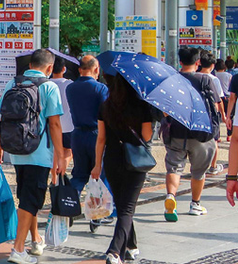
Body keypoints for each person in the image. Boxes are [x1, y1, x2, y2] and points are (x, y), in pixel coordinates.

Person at [0, 49, 63, 264]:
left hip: (16, 151)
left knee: (27, 198)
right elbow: (55, 124)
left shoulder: (12, 84)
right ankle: (18, 249)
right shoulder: (49, 87)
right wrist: (59, 156)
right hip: (39, 153)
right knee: (31, 200)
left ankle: (35, 240)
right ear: (50, 68)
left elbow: (3, 119)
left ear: (30, 64)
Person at [92, 73, 154, 264]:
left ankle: (131, 246)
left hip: (112, 159)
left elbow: (101, 138)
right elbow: (146, 138)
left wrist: (97, 164)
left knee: (124, 205)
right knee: (127, 209)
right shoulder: (142, 106)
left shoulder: (106, 106)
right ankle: (114, 251)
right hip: (134, 161)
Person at [163, 47, 218, 222]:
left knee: (174, 167)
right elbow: (214, 107)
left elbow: (165, 109)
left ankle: (171, 196)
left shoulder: (172, 80)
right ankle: (195, 204)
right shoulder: (205, 80)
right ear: (198, 62)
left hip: (176, 131)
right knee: (198, 171)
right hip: (200, 132)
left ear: (180, 62)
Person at [65, 56, 110, 194]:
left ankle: (69, 206)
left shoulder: (70, 88)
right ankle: (98, 212)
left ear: (80, 70)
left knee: (79, 175)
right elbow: (106, 113)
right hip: (96, 134)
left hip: (77, 135)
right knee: (100, 175)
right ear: (96, 69)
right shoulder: (101, 89)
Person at [198, 52, 227, 175]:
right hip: (212, 113)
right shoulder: (213, 79)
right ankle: (213, 166)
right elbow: (219, 100)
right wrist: (224, 115)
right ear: (212, 65)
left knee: (198, 140)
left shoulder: (195, 76)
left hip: (198, 113)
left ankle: (198, 166)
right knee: (214, 140)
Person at [50, 57, 74, 174]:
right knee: (68, 151)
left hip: (51, 125)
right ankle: (62, 170)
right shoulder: (70, 84)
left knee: (54, 152)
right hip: (68, 125)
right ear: (64, 69)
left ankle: (54, 178)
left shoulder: (46, 84)